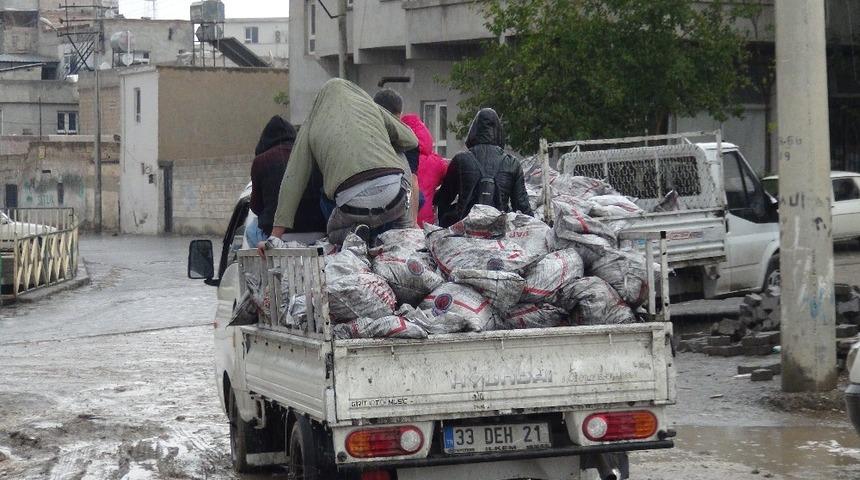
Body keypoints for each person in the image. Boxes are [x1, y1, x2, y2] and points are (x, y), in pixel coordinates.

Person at [268, 78, 419, 247]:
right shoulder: (370, 106)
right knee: (399, 153)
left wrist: (275, 236)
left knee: (332, 232)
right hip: (395, 198)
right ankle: (405, 231)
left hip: (352, 206)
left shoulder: (312, 122)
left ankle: (354, 234)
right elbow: (411, 140)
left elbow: (293, 179)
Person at [434, 108, 532, 227]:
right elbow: (522, 206)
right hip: (499, 226)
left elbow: (445, 198)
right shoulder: (512, 163)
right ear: (499, 132)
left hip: (465, 225)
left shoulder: (461, 160)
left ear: (474, 130)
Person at [248, 116, 326, 247]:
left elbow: (256, 206)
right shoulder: (312, 155)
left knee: (251, 230)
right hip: (319, 231)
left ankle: (259, 266)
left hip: (278, 235)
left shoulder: (261, 161)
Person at [373, 88, 421, 225]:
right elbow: (413, 181)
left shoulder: (367, 134)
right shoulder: (409, 139)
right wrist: (413, 222)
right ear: (400, 114)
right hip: (400, 204)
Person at [401, 113, 449, 226]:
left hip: (402, 220)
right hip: (426, 222)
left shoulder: (397, 157)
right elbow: (448, 182)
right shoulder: (438, 163)